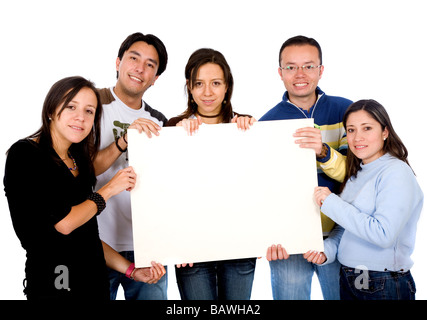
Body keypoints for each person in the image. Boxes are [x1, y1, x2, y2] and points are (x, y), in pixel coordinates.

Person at [3, 76, 165, 300]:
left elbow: (87, 236)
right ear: (51, 109)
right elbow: (65, 224)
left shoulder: (77, 160)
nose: (80, 117)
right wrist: (109, 189)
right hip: (57, 281)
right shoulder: (26, 154)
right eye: (71, 106)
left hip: (93, 282)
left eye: (89, 111)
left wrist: (132, 270)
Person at [261, 35, 352, 300]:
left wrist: (323, 152)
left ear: (321, 70)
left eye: (309, 66)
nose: (300, 74)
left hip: (340, 234)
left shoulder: (345, 111)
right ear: (280, 73)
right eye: (291, 67)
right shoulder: (267, 123)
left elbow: (355, 176)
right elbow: (263, 189)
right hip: (289, 240)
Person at [166, 48, 256, 300]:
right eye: (199, 84)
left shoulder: (245, 127)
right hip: (192, 250)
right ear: (189, 87)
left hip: (239, 246)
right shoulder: (173, 128)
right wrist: (177, 137)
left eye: (215, 83)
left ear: (227, 86)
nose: (207, 92)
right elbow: (166, 192)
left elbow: (258, 188)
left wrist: (262, 233)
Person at [311, 99, 423, 300]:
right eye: (351, 130)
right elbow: (346, 228)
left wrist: (331, 203)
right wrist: (325, 251)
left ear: (385, 132)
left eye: (367, 128)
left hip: (383, 282)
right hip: (352, 277)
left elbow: (383, 234)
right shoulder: (358, 172)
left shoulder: (395, 172)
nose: (357, 137)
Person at [94, 32, 169, 300]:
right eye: (133, 58)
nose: (140, 68)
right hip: (98, 243)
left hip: (148, 248)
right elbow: (82, 170)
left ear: (156, 77)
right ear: (118, 62)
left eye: (150, 64)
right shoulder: (92, 104)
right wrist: (125, 139)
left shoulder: (160, 120)